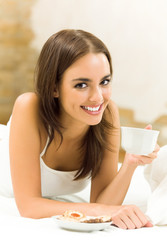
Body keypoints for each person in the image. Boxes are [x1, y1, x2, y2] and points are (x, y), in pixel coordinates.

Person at [7, 29, 159, 229]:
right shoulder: (29, 106)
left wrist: (130, 163)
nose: (97, 98)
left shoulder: (107, 112)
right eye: (81, 85)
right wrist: (95, 209)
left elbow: (104, 203)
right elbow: (29, 206)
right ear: (54, 87)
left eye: (104, 82)